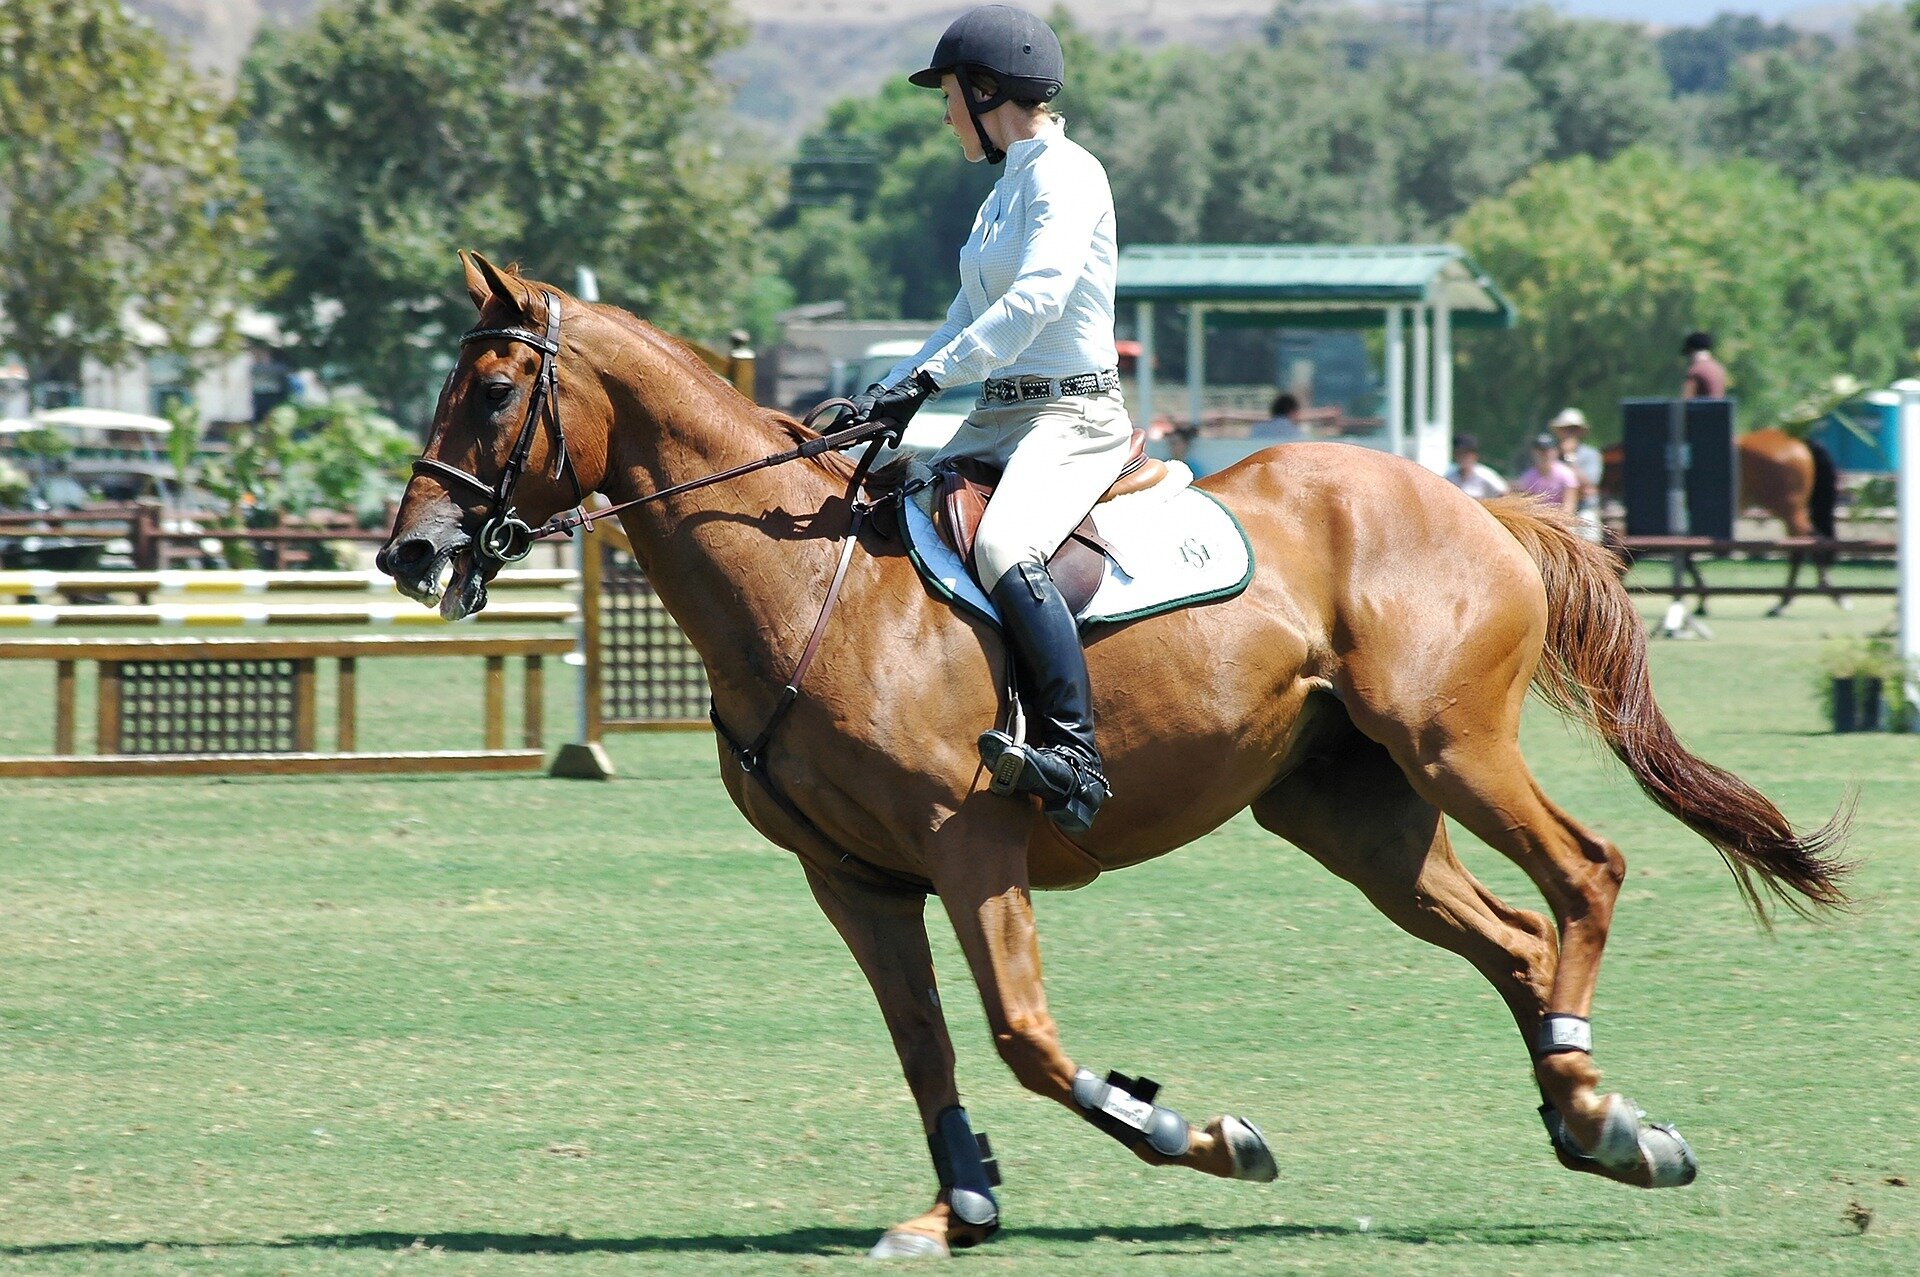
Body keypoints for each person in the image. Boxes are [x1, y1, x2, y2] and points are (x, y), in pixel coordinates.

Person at [843, 5, 1120, 833]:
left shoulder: (1070, 175)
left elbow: (1037, 301)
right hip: (999, 416)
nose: (944, 112)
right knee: (892, 516)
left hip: (1071, 415)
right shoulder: (1003, 192)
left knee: (1002, 544)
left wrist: (931, 376)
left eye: (949, 94)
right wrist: (886, 393)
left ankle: (1075, 755)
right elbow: (964, 312)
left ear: (985, 89)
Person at [1550, 407, 1604, 539]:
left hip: (1584, 508)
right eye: (1565, 429)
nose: (1569, 433)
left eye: (1573, 429)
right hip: (1555, 508)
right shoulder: (1550, 455)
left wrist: (1569, 457)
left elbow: (1589, 485)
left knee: (1589, 533)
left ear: (1580, 432)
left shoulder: (1591, 455)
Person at [1514, 432, 1581, 515]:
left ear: (1555, 451)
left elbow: (1569, 506)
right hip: (1536, 519)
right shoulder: (1528, 476)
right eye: (1540, 450)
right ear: (1534, 452)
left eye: (1547, 450)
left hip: (1561, 519)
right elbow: (1524, 505)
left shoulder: (1566, 474)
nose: (1544, 454)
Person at [1445, 433, 1507, 499]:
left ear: (1475, 455)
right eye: (1459, 453)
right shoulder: (1450, 477)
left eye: (1466, 454)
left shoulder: (1485, 475)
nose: (1463, 457)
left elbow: (1504, 493)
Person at [1680, 331, 1728, 399]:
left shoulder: (1695, 371)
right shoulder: (1719, 369)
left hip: (1702, 409)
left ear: (1691, 350)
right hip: (1718, 409)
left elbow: (1686, 400)